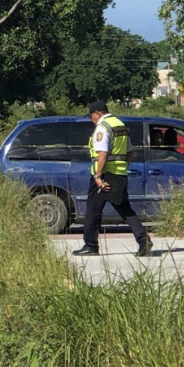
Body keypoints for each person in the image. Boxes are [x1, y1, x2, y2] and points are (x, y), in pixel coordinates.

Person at [73, 101, 154, 258]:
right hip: (119, 174)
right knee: (124, 208)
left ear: (97, 113)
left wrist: (98, 176)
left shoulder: (102, 128)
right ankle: (144, 240)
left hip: (104, 175)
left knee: (93, 210)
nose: (92, 120)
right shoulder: (120, 125)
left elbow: (102, 154)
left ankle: (90, 246)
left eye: (91, 117)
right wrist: (122, 167)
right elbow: (130, 152)